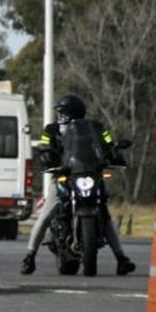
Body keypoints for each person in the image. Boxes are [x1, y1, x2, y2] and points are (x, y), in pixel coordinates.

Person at [20, 94, 136, 275]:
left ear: (71, 114)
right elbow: (44, 145)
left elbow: (108, 143)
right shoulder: (51, 130)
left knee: (104, 214)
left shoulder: (96, 129)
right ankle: (29, 256)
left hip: (91, 173)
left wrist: (115, 151)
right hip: (64, 176)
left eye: (62, 112)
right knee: (46, 215)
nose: (59, 116)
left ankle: (121, 258)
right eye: (59, 113)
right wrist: (47, 155)